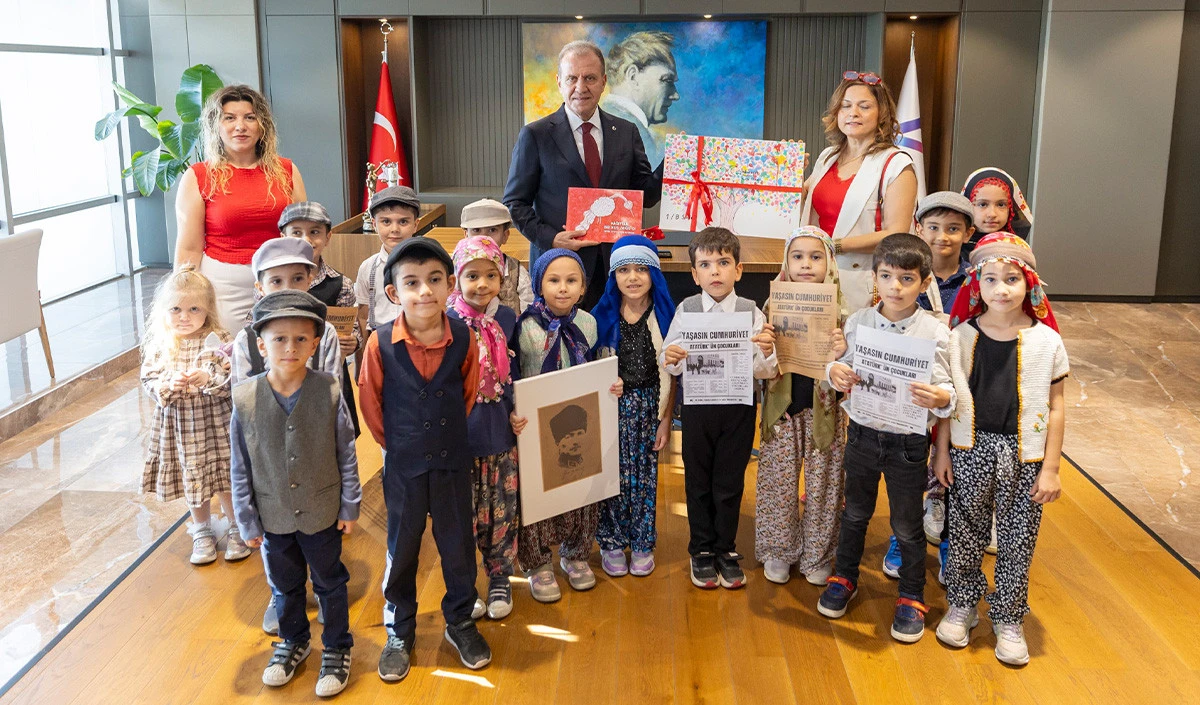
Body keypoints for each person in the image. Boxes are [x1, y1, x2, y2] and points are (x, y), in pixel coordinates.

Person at [357, 237, 492, 681]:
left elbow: (468, 395)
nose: (425, 291)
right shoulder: (380, 345)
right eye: (412, 282)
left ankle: (459, 620)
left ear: (450, 285)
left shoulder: (464, 338)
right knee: (403, 548)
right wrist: (400, 444)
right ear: (394, 292)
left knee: (457, 546)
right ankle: (400, 629)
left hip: (453, 462)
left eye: (435, 280)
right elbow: (372, 405)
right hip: (404, 467)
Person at [934, 233, 1066, 667]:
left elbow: (1057, 406)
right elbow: (948, 401)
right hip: (970, 448)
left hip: (1025, 456)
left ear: (1030, 283)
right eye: (990, 279)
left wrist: (1051, 468)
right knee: (967, 531)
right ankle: (963, 604)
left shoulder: (1047, 341)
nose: (1001, 289)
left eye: (1012, 279)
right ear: (977, 285)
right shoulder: (960, 338)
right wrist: (942, 453)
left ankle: (1009, 617)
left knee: (1017, 539)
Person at [818, 233, 955, 644]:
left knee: (907, 524)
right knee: (855, 512)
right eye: (887, 276)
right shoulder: (859, 321)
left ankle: (912, 594)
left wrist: (940, 397)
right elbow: (841, 366)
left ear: (925, 282)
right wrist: (834, 373)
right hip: (862, 432)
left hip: (908, 443)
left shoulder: (935, 330)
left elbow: (948, 389)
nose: (896, 287)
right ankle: (845, 576)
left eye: (908, 279)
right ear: (876, 277)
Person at [229, 290, 361, 697]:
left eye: (301, 339)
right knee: (284, 585)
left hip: (322, 510)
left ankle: (337, 646)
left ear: (316, 343)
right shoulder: (245, 398)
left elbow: (346, 453)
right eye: (279, 339)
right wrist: (245, 517)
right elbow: (239, 465)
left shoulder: (330, 389)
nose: (290, 347)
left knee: (329, 581)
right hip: (273, 515)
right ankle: (294, 640)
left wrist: (350, 505)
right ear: (261, 344)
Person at [503, 40, 663, 310]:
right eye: (572, 78)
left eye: (589, 78)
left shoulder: (626, 132)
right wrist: (552, 238)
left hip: (616, 268)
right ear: (559, 82)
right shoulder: (535, 135)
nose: (581, 87)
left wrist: (675, 162)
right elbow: (515, 203)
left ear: (603, 81)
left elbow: (644, 196)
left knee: (610, 347)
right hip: (560, 268)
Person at [660, 227, 778, 590]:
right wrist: (674, 356)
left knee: (729, 480)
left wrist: (767, 350)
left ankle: (726, 548)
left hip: (739, 408)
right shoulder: (687, 310)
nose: (715, 271)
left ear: (738, 270)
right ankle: (701, 550)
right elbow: (669, 360)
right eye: (706, 265)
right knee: (697, 480)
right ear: (694, 274)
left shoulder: (751, 312)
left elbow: (766, 371)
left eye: (723, 263)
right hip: (697, 409)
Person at [509, 249, 622, 601]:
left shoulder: (588, 323)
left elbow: (599, 363)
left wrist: (612, 384)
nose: (562, 288)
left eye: (571, 281)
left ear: (583, 287)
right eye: (553, 280)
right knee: (538, 493)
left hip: (580, 419)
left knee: (582, 488)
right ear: (540, 284)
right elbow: (513, 374)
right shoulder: (525, 325)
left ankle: (575, 554)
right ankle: (538, 563)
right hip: (538, 424)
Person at [879, 191, 976, 581]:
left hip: (961, 388)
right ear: (919, 228)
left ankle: (952, 545)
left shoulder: (976, 280)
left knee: (955, 470)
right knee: (909, 474)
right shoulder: (903, 276)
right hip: (911, 393)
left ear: (968, 232)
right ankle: (901, 540)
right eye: (933, 227)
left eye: (954, 229)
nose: (943, 237)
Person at [755, 227, 848, 587]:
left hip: (825, 410)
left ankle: (818, 553)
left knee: (825, 483)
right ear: (786, 262)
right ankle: (779, 550)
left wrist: (844, 350)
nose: (806, 264)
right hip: (784, 408)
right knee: (778, 480)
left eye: (815, 256)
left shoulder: (844, 313)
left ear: (829, 262)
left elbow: (855, 371)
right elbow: (761, 365)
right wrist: (765, 346)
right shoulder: (770, 306)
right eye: (798, 257)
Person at [174, 84, 306, 331]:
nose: (240, 126)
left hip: (282, 283)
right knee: (229, 360)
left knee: (284, 360)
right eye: (230, 118)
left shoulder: (287, 171)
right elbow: (189, 248)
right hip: (224, 291)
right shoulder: (198, 176)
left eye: (250, 118)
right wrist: (183, 299)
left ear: (262, 125)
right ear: (217, 126)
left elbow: (304, 235)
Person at [140, 268, 244, 565]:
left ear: (208, 309)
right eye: (176, 309)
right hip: (180, 430)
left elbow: (229, 375)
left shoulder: (219, 338)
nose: (183, 316)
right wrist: (166, 385)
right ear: (164, 310)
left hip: (216, 425)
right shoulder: (161, 344)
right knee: (193, 478)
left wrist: (207, 377)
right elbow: (149, 379)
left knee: (225, 476)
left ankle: (237, 525)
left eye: (193, 309)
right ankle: (202, 529)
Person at [446, 236, 523, 621]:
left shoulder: (507, 318)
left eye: (490, 275)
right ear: (456, 279)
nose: (481, 284)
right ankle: (464, 584)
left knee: (501, 509)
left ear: (502, 276)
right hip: (461, 435)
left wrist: (516, 411)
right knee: (464, 513)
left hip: (499, 429)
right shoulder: (447, 323)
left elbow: (515, 374)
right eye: (471, 275)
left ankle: (499, 576)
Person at [591, 235, 677, 578]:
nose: (633, 277)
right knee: (611, 478)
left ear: (653, 273)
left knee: (644, 479)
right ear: (614, 275)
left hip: (649, 410)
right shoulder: (601, 317)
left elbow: (674, 376)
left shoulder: (668, 315)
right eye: (624, 269)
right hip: (612, 410)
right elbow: (588, 368)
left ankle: (641, 542)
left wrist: (666, 421)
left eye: (641, 269)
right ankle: (611, 541)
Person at [799, 71, 919, 312]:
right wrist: (790, 172)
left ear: (882, 114)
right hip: (814, 277)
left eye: (864, 106)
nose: (853, 113)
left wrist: (834, 245)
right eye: (846, 106)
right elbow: (800, 206)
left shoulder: (896, 163)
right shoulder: (827, 157)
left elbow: (896, 234)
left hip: (863, 281)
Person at [276, 201, 362, 436]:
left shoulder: (340, 284)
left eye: (314, 232)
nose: (306, 239)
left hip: (330, 376)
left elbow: (353, 331)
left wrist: (352, 341)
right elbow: (254, 325)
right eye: (296, 232)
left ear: (328, 236)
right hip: (283, 375)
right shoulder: (271, 283)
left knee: (333, 436)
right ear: (283, 236)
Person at [230, 238, 342, 386]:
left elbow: (333, 395)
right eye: (276, 281)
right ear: (260, 287)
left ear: (309, 281)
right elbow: (242, 401)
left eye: (297, 279)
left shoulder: (326, 333)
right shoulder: (246, 340)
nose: (288, 289)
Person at [600, 31, 680, 169]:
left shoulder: (606, 120)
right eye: (666, 80)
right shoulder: (631, 132)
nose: (675, 95)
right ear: (633, 76)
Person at [355, 185, 422, 335]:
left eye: (403, 222)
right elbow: (363, 317)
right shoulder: (368, 267)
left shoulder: (427, 265)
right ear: (374, 224)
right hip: (380, 339)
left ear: (415, 224)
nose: (394, 229)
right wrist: (363, 358)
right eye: (386, 222)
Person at [459, 198, 533, 313]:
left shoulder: (517, 272)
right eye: (476, 230)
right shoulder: (458, 270)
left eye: (492, 230)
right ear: (465, 235)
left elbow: (528, 313)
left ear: (505, 235)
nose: (484, 238)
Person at [960, 167, 1034, 253]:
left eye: (1001, 205)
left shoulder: (1018, 249)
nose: (992, 214)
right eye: (983, 204)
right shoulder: (954, 248)